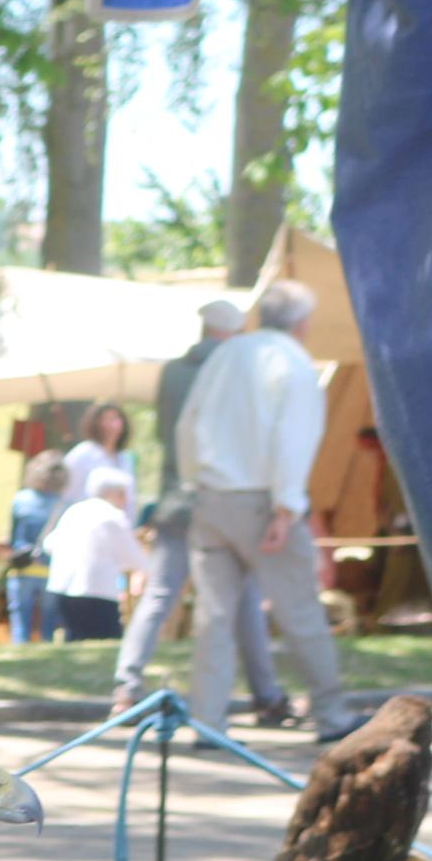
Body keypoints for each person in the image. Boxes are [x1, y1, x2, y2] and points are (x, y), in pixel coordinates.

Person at [178, 277, 359, 738]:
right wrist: (286, 507)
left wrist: (193, 482)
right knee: (300, 611)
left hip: (211, 498)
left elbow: (188, 423)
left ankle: (208, 723)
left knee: (213, 620)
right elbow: (293, 440)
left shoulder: (227, 354)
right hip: (261, 500)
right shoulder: (293, 363)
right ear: (303, 324)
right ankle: (332, 715)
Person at [113, 301, 287, 719]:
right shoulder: (240, 371)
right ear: (236, 331)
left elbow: (163, 433)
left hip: (177, 497)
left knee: (158, 597)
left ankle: (126, 686)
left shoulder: (172, 373)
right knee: (244, 599)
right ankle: (267, 695)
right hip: (223, 497)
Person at [43, 466, 146, 642]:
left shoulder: (74, 511)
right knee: (107, 642)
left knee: (73, 640)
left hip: (61, 589)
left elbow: (49, 545)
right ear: (114, 494)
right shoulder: (112, 516)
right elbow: (134, 558)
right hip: (96, 592)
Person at [2, 451, 66, 644]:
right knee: (49, 624)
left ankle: (19, 650)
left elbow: (14, 536)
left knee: (20, 620)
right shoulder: (62, 504)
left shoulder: (20, 499)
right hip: (51, 569)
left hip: (23, 566)